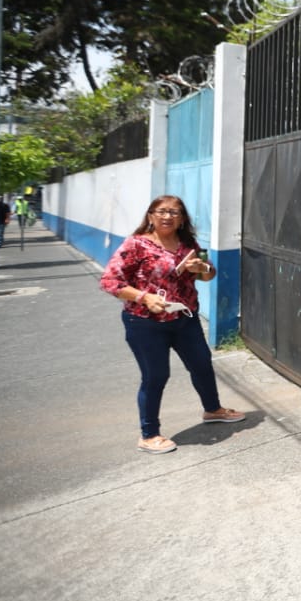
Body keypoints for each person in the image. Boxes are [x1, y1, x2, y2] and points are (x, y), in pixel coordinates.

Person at [99, 194, 246, 454]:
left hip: (184, 320)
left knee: (201, 364)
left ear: (182, 220)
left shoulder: (187, 244)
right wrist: (144, 297)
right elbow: (110, 281)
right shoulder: (136, 245)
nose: (168, 216)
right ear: (151, 216)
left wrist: (201, 268)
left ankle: (213, 410)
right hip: (145, 322)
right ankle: (149, 434)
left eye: (174, 212)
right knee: (155, 376)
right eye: (162, 211)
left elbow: (208, 275)